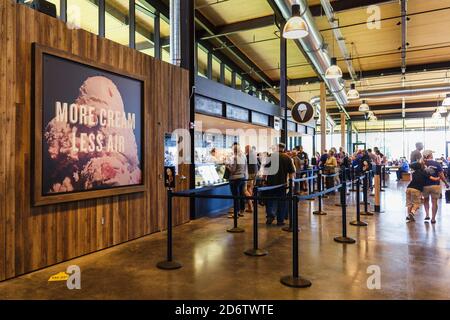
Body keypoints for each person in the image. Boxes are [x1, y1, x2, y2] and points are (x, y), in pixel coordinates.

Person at [264, 143, 296, 226]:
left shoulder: (271, 156)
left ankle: (270, 216)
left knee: (270, 200)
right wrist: (291, 182)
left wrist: (264, 180)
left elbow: (266, 170)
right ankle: (280, 220)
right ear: (284, 148)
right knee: (281, 202)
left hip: (271, 183)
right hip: (282, 184)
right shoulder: (287, 158)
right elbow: (291, 172)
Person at [422, 150, 449, 223]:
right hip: (435, 185)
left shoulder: (422, 164)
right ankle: (433, 218)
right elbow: (441, 175)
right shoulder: (436, 164)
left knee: (426, 200)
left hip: (424, 186)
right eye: (431, 154)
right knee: (434, 202)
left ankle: (427, 215)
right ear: (430, 155)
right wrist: (446, 183)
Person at [225, 142, 248, 218]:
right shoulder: (244, 156)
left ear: (234, 150)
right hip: (242, 177)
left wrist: (227, 166)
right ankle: (241, 211)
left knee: (235, 196)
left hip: (234, 179)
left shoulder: (235, 157)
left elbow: (233, 170)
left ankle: (235, 213)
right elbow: (245, 168)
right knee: (241, 195)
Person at [244, 145, 258, 212]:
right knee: (250, 188)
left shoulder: (247, 156)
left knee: (247, 188)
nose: (245, 150)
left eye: (245, 149)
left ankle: (250, 205)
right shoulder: (254, 155)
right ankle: (251, 204)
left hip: (250, 173)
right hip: (255, 173)